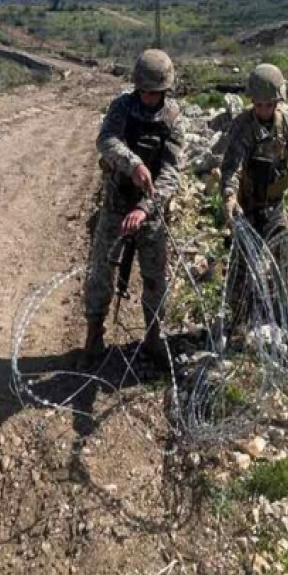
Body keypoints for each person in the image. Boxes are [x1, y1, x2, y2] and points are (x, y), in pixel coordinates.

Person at [83, 49, 184, 368]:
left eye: (156, 93)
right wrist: (133, 163)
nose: (150, 98)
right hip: (116, 203)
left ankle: (153, 337)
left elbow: (171, 172)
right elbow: (106, 140)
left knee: (154, 277)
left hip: (150, 210)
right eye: (145, 92)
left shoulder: (172, 118)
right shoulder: (122, 108)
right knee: (101, 269)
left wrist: (145, 207)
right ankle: (94, 332)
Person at [219, 63, 288, 328]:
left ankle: (282, 313)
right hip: (247, 206)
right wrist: (230, 196)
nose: (264, 111)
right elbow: (232, 166)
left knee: (284, 259)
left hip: (275, 206)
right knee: (241, 267)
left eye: (269, 105)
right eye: (259, 105)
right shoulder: (242, 126)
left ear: (278, 101)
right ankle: (238, 318)